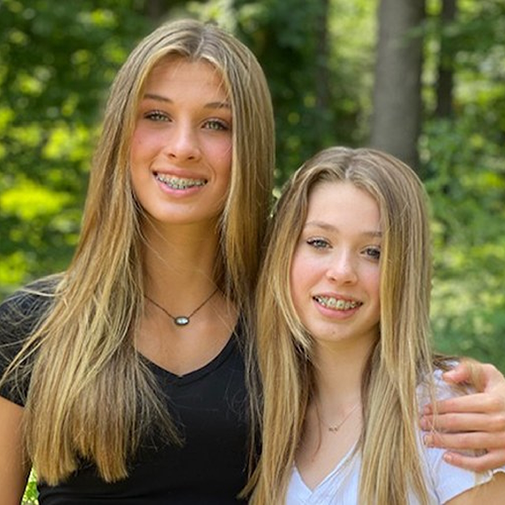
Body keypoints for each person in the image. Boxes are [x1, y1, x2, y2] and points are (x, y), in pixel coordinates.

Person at [0, 18, 504, 505]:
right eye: (156, 116)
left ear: (250, 147)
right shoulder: (33, 325)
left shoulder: (285, 315)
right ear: (119, 133)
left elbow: (393, 375)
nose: (182, 147)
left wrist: (486, 393)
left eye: (216, 124)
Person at [249, 147, 505, 504]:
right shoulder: (259, 409)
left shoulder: (443, 410)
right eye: (319, 242)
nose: (341, 272)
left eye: (373, 252)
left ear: (405, 271)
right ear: (283, 253)